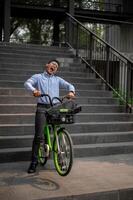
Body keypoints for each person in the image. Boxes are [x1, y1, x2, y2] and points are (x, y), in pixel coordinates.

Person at [24, 59, 75, 173]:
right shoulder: (38, 77)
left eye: (56, 66)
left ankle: (61, 160)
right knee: (38, 136)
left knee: (58, 131)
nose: (54, 66)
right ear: (47, 65)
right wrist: (34, 90)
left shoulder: (57, 79)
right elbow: (27, 83)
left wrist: (71, 91)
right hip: (42, 107)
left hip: (55, 107)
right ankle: (34, 162)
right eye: (52, 64)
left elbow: (69, 85)